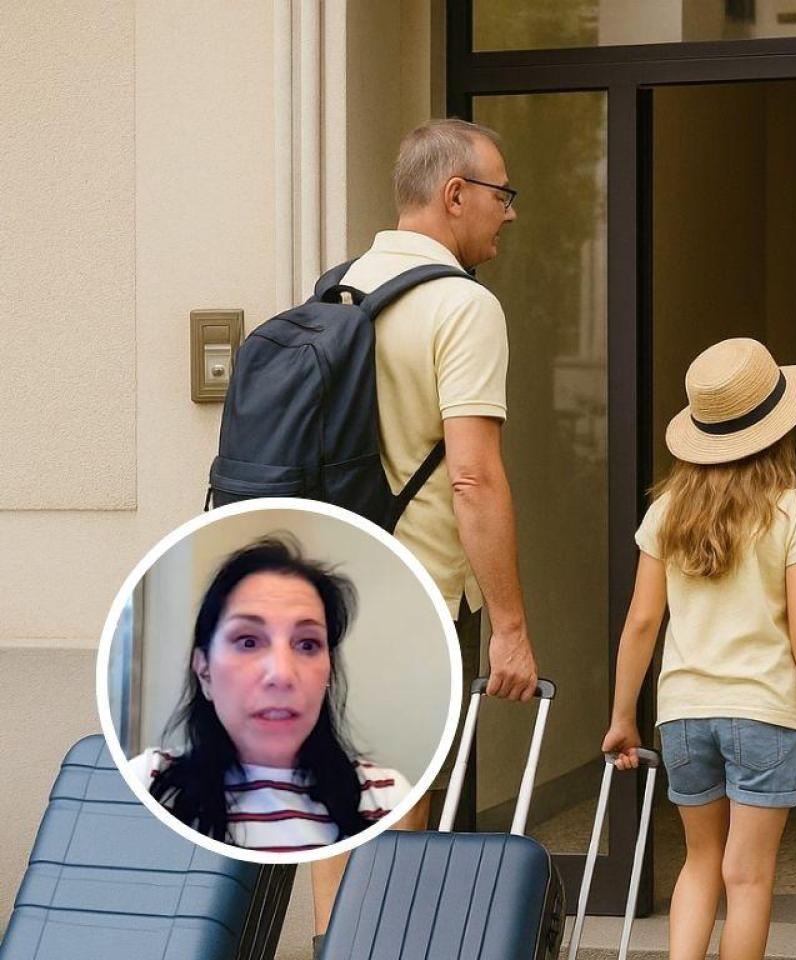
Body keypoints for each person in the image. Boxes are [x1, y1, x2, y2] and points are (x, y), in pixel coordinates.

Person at [321, 119, 537, 953]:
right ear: (455, 195)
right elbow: (473, 474)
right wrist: (512, 628)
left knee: (336, 803)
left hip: (327, 590)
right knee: (401, 803)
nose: (508, 215)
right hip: (418, 599)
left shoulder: (334, 291)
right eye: (501, 195)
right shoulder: (462, 305)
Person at [602, 337, 796, 960]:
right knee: (749, 876)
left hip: (682, 712)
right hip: (764, 711)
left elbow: (641, 622)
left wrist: (624, 714)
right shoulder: (792, 512)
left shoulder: (667, 511)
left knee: (700, 862)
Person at [129, 536, 411, 853]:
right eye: (248, 641)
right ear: (204, 668)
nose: (281, 674)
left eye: (307, 644)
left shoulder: (385, 798)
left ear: (328, 672)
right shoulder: (148, 781)